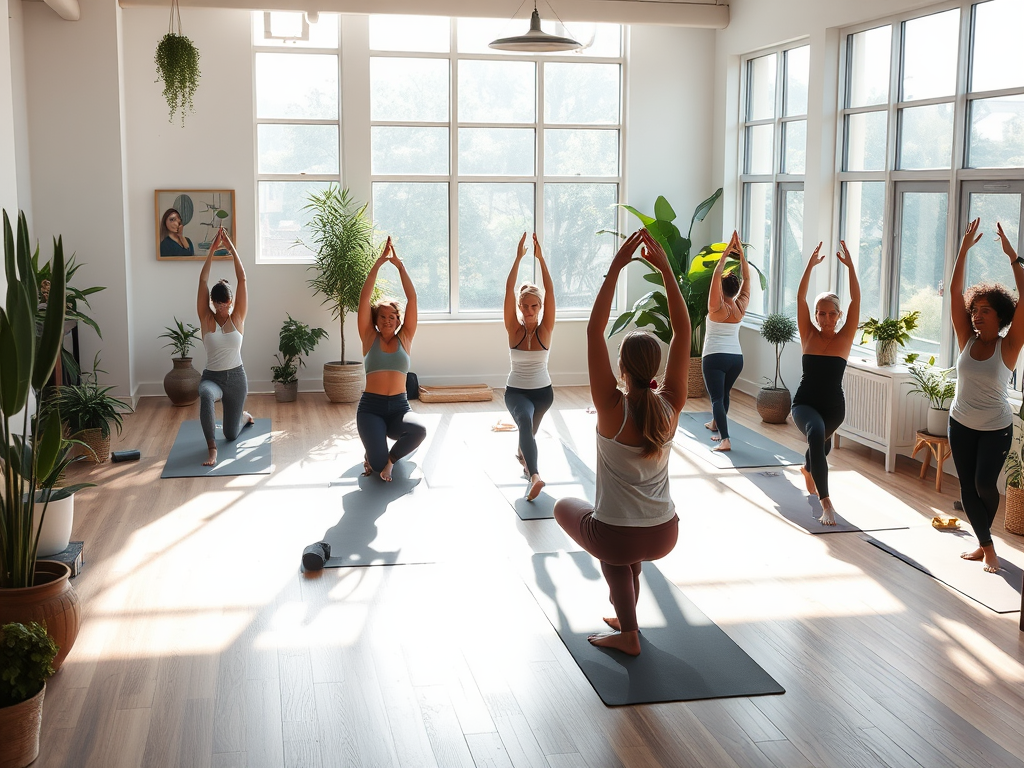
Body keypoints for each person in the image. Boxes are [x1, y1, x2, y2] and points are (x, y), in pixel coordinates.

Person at [553, 229, 689, 656]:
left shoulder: (612, 407)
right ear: (656, 367)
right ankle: (623, 611)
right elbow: (683, 330)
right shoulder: (671, 404)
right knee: (620, 537)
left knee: (566, 509)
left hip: (622, 537)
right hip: (665, 533)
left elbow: (594, 329)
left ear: (622, 367)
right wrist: (667, 271)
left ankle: (628, 634)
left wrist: (615, 269)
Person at [947, 218, 1024, 574]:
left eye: (984, 311)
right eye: (974, 310)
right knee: (966, 484)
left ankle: (983, 540)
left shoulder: (1008, 346)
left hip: (995, 426)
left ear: (1000, 316)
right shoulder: (968, 339)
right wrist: (963, 250)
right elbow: (953, 293)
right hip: (960, 421)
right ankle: (987, 547)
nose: (976, 316)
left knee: (983, 483)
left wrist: (1014, 258)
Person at [793, 240, 861, 525]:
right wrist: (809, 266)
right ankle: (827, 502)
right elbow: (800, 299)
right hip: (805, 404)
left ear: (839, 315)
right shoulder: (808, 332)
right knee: (815, 433)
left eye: (832, 313)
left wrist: (851, 268)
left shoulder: (845, 337)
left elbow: (856, 300)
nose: (826, 317)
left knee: (821, 445)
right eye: (821, 313)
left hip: (834, 408)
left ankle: (808, 469)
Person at [356, 237, 427, 482]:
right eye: (383, 316)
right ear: (376, 320)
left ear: (399, 320)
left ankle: (391, 460)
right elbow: (364, 300)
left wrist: (399, 266)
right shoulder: (368, 337)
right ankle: (376, 456)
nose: (388, 320)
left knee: (419, 430)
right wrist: (377, 265)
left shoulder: (405, 338)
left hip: (399, 408)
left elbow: (413, 299)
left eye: (393, 317)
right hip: (371, 409)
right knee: (375, 466)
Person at [504, 232, 556, 501]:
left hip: (543, 394)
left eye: (534, 306)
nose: (528, 310)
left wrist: (541, 258)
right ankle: (534, 475)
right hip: (516, 392)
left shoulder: (546, 329)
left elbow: (550, 289)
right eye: (524, 306)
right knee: (524, 421)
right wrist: (518, 258)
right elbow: (508, 289)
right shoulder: (514, 329)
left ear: (540, 306)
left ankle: (523, 455)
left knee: (528, 435)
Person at [196, 227, 252, 466]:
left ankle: (244, 416)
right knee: (206, 395)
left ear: (231, 301)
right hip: (212, 377)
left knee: (231, 433)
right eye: (219, 304)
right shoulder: (206, 318)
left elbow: (242, 278)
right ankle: (212, 449)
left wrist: (230, 248)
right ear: (213, 302)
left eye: (227, 304)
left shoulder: (237, 316)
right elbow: (203, 280)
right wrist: (211, 250)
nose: (223, 309)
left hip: (236, 379)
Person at [702, 230, 751, 452]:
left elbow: (715, 275)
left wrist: (725, 254)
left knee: (716, 398)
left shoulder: (716, 308)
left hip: (714, 357)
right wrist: (741, 254)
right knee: (724, 395)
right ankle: (715, 423)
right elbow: (747, 279)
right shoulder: (740, 307)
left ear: (721, 289)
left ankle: (725, 439)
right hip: (736, 359)